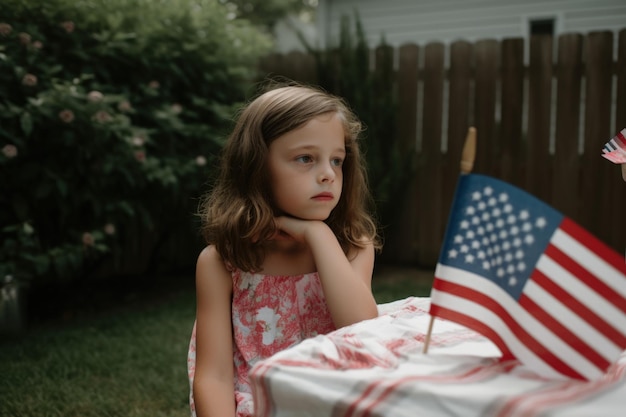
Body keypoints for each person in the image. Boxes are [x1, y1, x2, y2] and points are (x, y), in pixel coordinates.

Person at [187, 82, 382, 417]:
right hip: (256, 401)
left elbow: (361, 332)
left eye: (337, 161)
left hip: (333, 399)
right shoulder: (223, 261)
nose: (327, 175)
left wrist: (319, 235)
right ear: (257, 167)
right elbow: (214, 377)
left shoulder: (353, 247)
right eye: (305, 158)